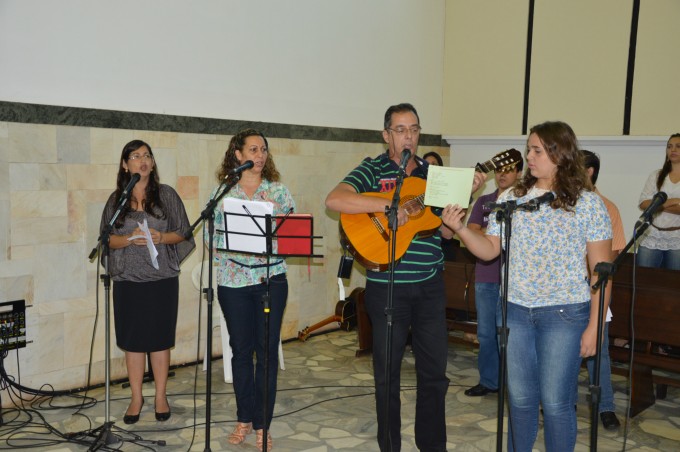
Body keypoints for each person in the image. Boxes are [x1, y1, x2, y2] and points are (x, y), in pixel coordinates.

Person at [442, 121, 612, 452]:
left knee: (556, 403)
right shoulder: (512, 197)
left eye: (536, 150)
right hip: (516, 312)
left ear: (559, 154)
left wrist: (596, 327)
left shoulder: (588, 203)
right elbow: (490, 250)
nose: (528, 157)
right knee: (519, 400)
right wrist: (461, 228)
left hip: (564, 314)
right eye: (529, 149)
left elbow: (601, 274)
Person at [325, 103, 485, 452]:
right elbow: (336, 199)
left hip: (429, 287)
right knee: (387, 377)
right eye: (400, 129)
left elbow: (444, 232)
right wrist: (386, 207)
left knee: (433, 376)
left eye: (413, 128)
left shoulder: (433, 176)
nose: (408, 135)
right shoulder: (371, 169)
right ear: (387, 135)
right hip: (386, 288)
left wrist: (465, 193)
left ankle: (433, 446)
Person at [207, 129, 295, 451]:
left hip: (272, 281)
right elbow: (210, 240)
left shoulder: (279, 192)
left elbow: (293, 238)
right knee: (241, 352)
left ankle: (262, 423)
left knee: (267, 354)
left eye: (264, 150)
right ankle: (244, 418)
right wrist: (229, 240)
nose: (259, 155)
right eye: (253, 149)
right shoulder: (223, 194)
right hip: (233, 282)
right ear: (238, 155)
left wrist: (277, 218)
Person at [99, 139, 195, 425]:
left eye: (147, 156)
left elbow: (184, 232)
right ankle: (136, 397)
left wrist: (161, 237)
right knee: (134, 342)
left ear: (152, 163)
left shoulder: (166, 195)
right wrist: (128, 239)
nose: (142, 160)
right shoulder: (116, 200)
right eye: (136, 156)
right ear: (125, 164)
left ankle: (161, 396)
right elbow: (105, 240)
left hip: (161, 279)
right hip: (128, 281)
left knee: (159, 340)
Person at [464, 156, 522, 397]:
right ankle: (489, 381)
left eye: (508, 170)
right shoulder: (485, 202)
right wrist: (495, 233)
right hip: (486, 277)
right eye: (499, 170)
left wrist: (488, 233)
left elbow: (515, 235)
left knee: (508, 336)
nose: (502, 174)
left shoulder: (522, 201)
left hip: (512, 280)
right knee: (486, 333)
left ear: (519, 173)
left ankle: (514, 385)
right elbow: (472, 231)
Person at [582, 150, 624, 431]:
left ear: (589, 172)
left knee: (599, 350)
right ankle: (563, 403)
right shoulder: (562, 204)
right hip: (567, 288)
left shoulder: (607, 207)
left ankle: (605, 406)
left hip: (595, 287)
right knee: (565, 349)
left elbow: (616, 250)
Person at [636, 133, 680, 270]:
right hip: (652, 235)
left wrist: (656, 205)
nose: (673, 150)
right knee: (644, 280)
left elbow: (650, 205)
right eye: (669, 147)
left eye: (678, 146)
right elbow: (643, 203)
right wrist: (672, 201)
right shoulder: (656, 175)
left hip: (677, 239)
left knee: (673, 286)